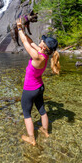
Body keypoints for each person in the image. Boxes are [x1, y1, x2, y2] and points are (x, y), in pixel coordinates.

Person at [17, 18, 60, 146]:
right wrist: (24, 31)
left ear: (44, 46)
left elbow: (25, 42)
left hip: (30, 89)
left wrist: (19, 28)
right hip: (40, 87)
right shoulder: (44, 54)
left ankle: (31, 138)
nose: (40, 41)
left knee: (26, 113)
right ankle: (45, 131)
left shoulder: (36, 56)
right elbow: (30, 42)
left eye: (42, 41)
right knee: (41, 109)